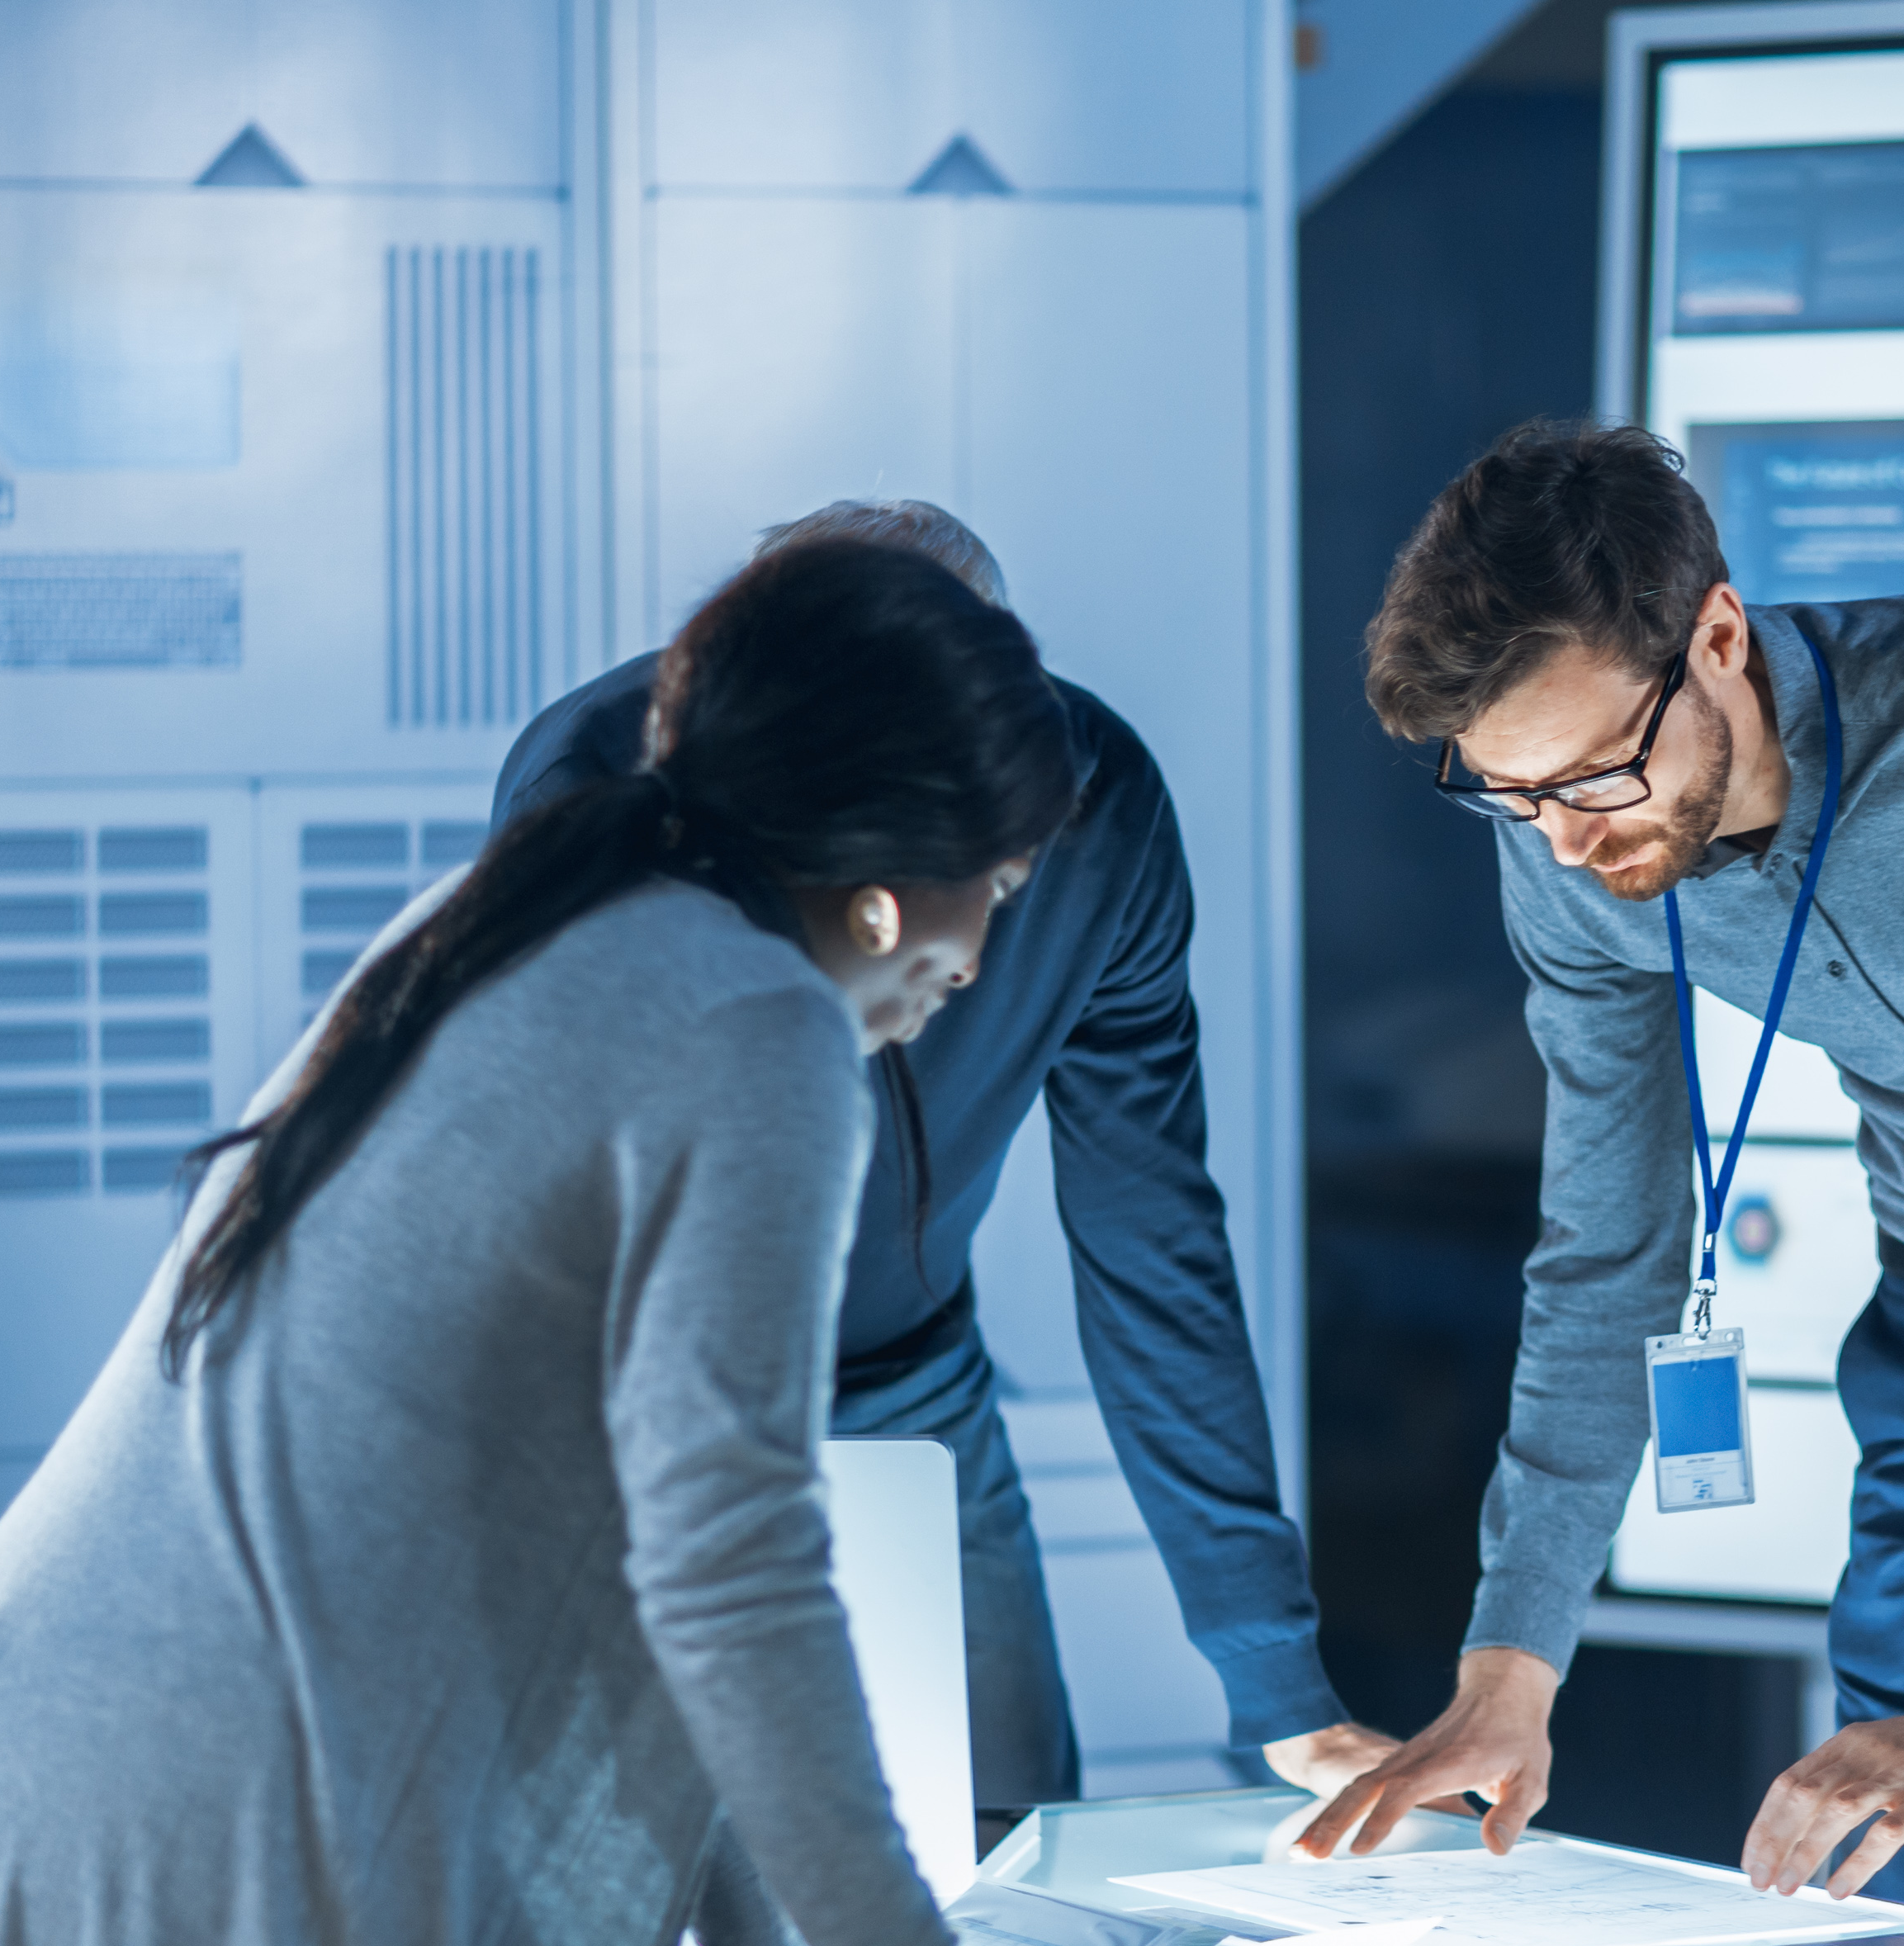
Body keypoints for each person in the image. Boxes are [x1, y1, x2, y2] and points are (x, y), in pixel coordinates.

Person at [0, 542, 1280, 1946]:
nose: (987, 956)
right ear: (884, 884)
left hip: (20, 1765)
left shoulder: (516, 927)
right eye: (991, 887)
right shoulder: (758, 1036)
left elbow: (617, 1530)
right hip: (214, 1822)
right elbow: (728, 1571)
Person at [1299, 419, 1904, 1931]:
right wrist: (1509, 1665)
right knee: (1891, 1928)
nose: (1560, 842)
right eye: (1509, 796)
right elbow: (1606, 1243)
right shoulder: (1562, 834)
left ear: (1717, 637)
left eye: (1595, 778)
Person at [495, 501, 1387, 1813]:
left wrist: (1278, 1688)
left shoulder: (1094, 808)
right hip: (613, 1378)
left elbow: (1152, 1235)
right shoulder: (608, 794)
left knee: (1006, 1822)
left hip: (913, 1375)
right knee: (636, 1829)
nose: (971, 963)